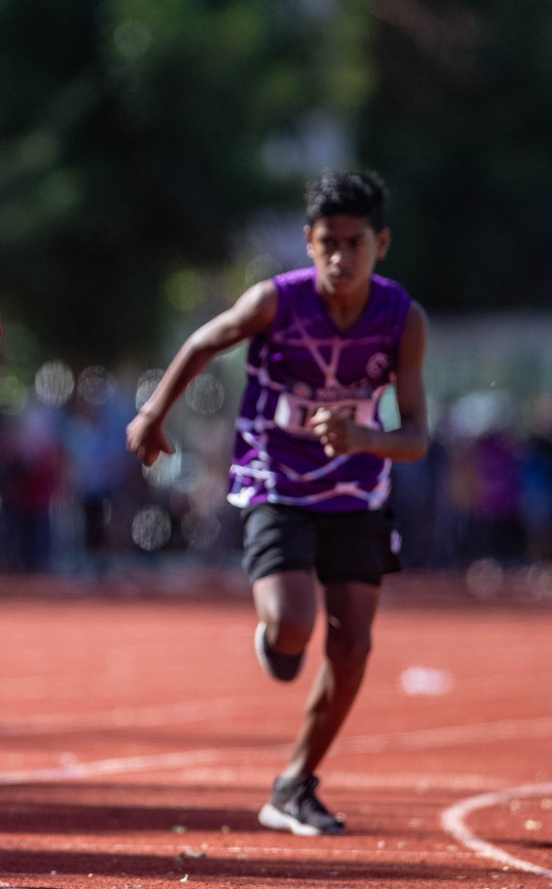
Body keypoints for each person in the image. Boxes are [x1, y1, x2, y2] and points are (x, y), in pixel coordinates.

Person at [127, 171, 428, 836]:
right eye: (328, 242)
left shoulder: (402, 319)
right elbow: (204, 341)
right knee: (296, 627)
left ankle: (296, 784)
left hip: (358, 493)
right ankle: (277, 633)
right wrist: (153, 415)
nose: (340, 257)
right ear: (308, 242)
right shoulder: (277, 302)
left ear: (382, 243)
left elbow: (416, 437)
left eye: (356, 243)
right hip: (276, 482)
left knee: (353, 646)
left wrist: (362, 438)